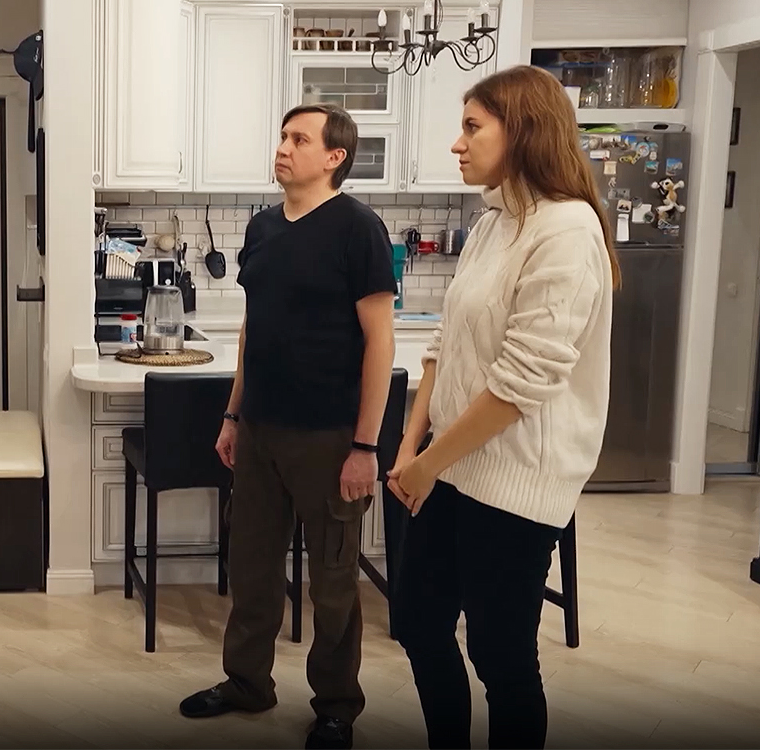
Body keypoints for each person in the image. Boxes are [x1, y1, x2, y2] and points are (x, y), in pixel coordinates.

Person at [386, 64, 618, 750]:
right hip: (453, 466)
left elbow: (523, 382)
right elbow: (444, 343)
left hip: (517, 478)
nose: (456, 144)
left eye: (472, 127)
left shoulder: (567, 230)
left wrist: (428, 462)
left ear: (523, 131)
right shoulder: (494, 221)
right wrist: (412, 444)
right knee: (418, 623)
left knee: (500, 655)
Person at [179, 103, 397, 750]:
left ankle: (336, 706)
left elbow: (380, 341)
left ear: (334, 157)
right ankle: (247, 682)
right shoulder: (263, 227)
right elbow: (255, 328)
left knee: (332, 582)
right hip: (260, 431)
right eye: (282, 136)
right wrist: (233, 415)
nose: (283, 147)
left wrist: (365, 445)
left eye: (299, 139)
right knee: (251, 569)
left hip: (329, 437)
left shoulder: (358, 228)